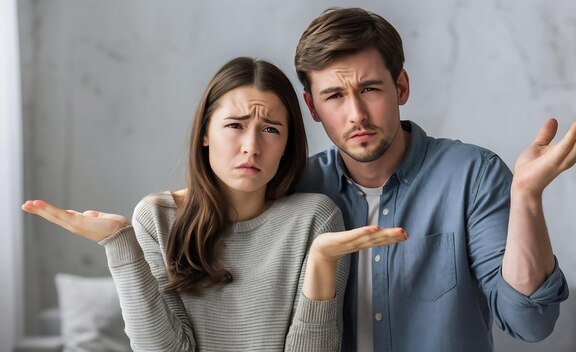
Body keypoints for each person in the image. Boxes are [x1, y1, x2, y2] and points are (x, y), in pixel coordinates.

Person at [22, 57, 408, 351]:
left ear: (288, 144)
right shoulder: (158, 216)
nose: (251, 146)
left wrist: (322, 262)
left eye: (271, 129)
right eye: (234, 125)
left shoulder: (315, 219)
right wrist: (120, 242)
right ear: (205, 133)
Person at [293, 7, 576, 352]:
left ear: (401, 87)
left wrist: (527, 195)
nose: (356, 114)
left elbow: (530, 322)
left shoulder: (473, 175)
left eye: (369, 89)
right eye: (335, 96)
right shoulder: (297, 188)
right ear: (312, 107)